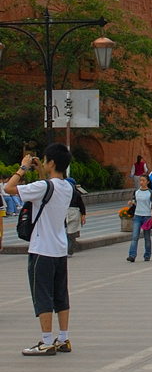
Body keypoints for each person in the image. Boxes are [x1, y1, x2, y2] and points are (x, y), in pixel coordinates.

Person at [5, 147, 74, 355]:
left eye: (45, 161)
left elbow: (9, 188)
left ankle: (45, 342)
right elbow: (48, 189)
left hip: (42, 249)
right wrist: (41, 173)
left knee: (42, 294)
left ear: (52, 162)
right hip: (59, 249)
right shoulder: (67, 187)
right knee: (61, 295)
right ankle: (63, 338)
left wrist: (23, 168)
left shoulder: (44, 187)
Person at [127, 173, 152, 262]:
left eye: (143, 180)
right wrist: (131, 203)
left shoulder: (150, 193)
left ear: (147, 182)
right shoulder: (136, 192)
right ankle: (132, 255)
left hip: (147, 216)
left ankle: (147, 254)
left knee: (147, 237)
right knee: (135, 236)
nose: (141, 182)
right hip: (137, 215)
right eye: (140, 180)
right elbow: (134, 201)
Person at [65, 182, 86, 256]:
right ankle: (67, 251)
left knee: (69, 233)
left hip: (70, 213)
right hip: (70, 213)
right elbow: (82, 206)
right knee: (69, 234)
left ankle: (68, 251)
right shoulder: (76, 193)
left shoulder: (75, 194)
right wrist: (83, 215)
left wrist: (83, 215)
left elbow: (81, 205)